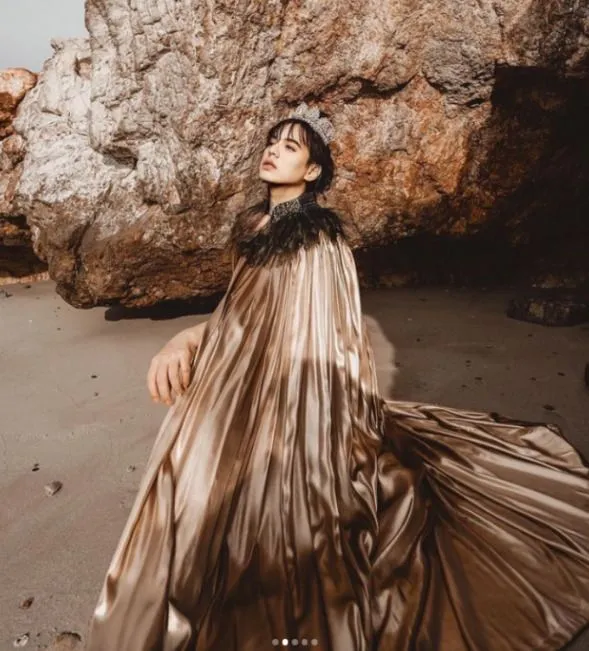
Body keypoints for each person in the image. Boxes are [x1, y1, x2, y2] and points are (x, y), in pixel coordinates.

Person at [86, 103, 589, 651]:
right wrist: (186, 338)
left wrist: (291, 420)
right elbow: (238, 310)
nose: (273, 151)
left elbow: (329, 343)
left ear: (312, 172)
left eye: (291, 147)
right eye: (272, 141)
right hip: (240, 380)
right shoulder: (253, 225)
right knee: (190, 478)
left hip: (293, 395)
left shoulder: (320, 242)